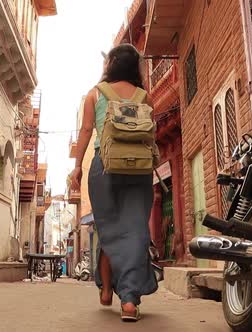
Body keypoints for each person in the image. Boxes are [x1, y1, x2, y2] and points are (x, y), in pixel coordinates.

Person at [70, 44, 158, 322]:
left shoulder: (94, 95)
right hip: (139, 168)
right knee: (134, 230)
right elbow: (149, 135)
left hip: (104, 166)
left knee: (108, 229)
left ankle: (108, 289)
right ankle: (129, 300)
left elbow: (86, 131)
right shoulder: (145, 97)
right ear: (135, 67)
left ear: (110, 65)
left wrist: (76, 169)